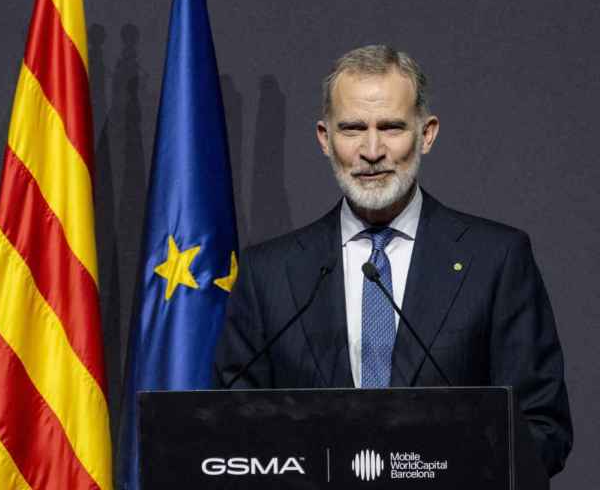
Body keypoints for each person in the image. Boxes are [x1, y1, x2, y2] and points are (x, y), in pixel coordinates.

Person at [214, 45, 572, 476]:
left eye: (391, 127)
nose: (371, 149)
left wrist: (448, 467)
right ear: (325, 140)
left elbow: (542, 428)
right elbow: (227, 431)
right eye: (352, 128)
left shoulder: (496, 261)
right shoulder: (268, 274)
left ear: (427, 134)